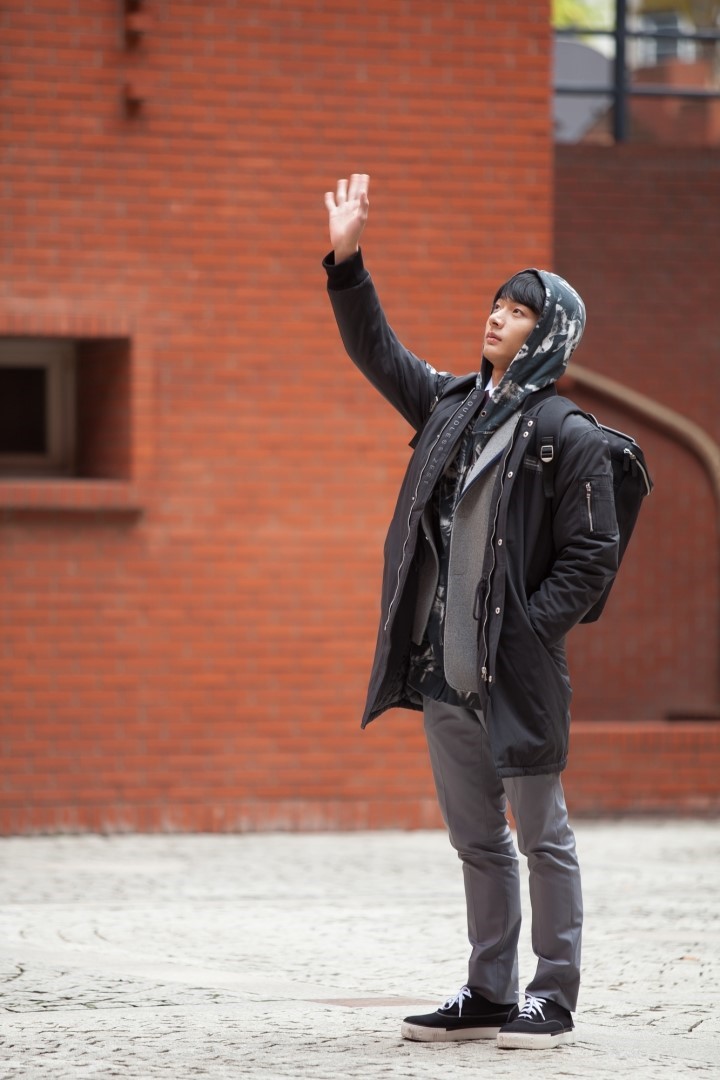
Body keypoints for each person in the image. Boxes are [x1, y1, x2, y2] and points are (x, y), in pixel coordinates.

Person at [322, 174, 619, 1051]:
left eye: (519, 312)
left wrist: (527, 629)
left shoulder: (569, 436)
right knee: (477, 841)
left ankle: (551, 996)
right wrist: (347, 259)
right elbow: (378, 351)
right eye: (496, 304)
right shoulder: (450, 407)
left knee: (542, 837)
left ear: (548, 334)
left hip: (517, 672)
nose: (497, 317)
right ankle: (489, 990)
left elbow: (593, 558)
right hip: (442, 668)